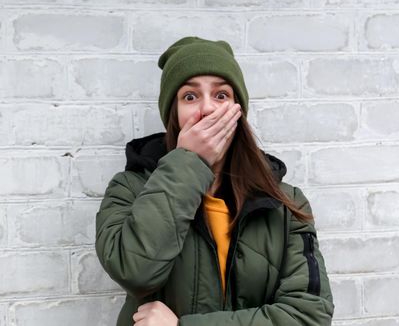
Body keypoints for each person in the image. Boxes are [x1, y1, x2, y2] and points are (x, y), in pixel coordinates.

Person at [95, 36, 334, 326]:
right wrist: (189, 162)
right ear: (174, 113)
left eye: (221, 95)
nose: (207, 109)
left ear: (238, 112)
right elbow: (135, 271)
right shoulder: (130, 189)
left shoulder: (285, 204)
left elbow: (309, 315)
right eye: (190, 96)